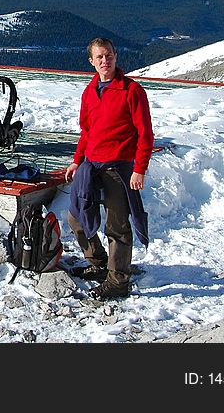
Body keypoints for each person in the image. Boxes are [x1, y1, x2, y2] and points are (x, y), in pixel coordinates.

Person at [64, 37, 153, 300]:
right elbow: (87, 131)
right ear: (91, 61)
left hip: (119, 168)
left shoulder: (132, 91)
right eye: (100, 57)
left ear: (116, 56)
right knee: (76, 217)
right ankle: (99, 262)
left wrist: (140, 169)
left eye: (109, 56)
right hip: (91, 165)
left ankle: (118, 281)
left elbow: (145, 134)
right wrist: (77, 159)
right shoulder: (90, 91)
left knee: (117, 226)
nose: (106, 61)